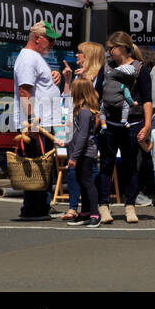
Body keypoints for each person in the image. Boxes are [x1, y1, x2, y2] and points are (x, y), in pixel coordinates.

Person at [95, 31, 152, 225]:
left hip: (133, 123)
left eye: (111, 48)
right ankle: (103, 206)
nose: (109, 52)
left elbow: (147, 100)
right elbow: (97, 95)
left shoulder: (139, 68)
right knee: (107, 164)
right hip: (108, 122)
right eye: (108, 48)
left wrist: (147, 125)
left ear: (123, 47)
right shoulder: (106, 67)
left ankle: (130, 206)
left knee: (130, 165)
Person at [12, 21, 63, 222]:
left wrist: (54, 77)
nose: (52, 44)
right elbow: (24, 90)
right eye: (49, 40)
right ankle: (33, 209)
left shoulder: (35, 57)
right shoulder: (28, 58)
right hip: (37, 123)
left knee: (42, 166)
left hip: (42, 122)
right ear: (37, 38)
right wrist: (32, 121)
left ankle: (39, 206)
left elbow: (37, 85)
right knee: (36, 166)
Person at [59, 41, 104, 221]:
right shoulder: (78, 77)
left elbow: (94, 103)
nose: (76, 55)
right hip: (75, 132)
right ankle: (77, 209)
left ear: (90, 56)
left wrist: (88, 80)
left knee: (86, 176)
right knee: (76, 173)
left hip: (88, 137)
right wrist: (68, 82)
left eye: (80, 53)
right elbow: (67, 104)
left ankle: (91, 211)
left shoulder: (97, 76)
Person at [64, 77, 101, 227]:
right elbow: (76, 133)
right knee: (81, 180)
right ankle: (85, 213)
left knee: (86, 182)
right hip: (80, 152)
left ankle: (94, 213)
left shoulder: (85, 111)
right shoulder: (79, 110)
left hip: (85, 153)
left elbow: (83, 135)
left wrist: (74, 156)